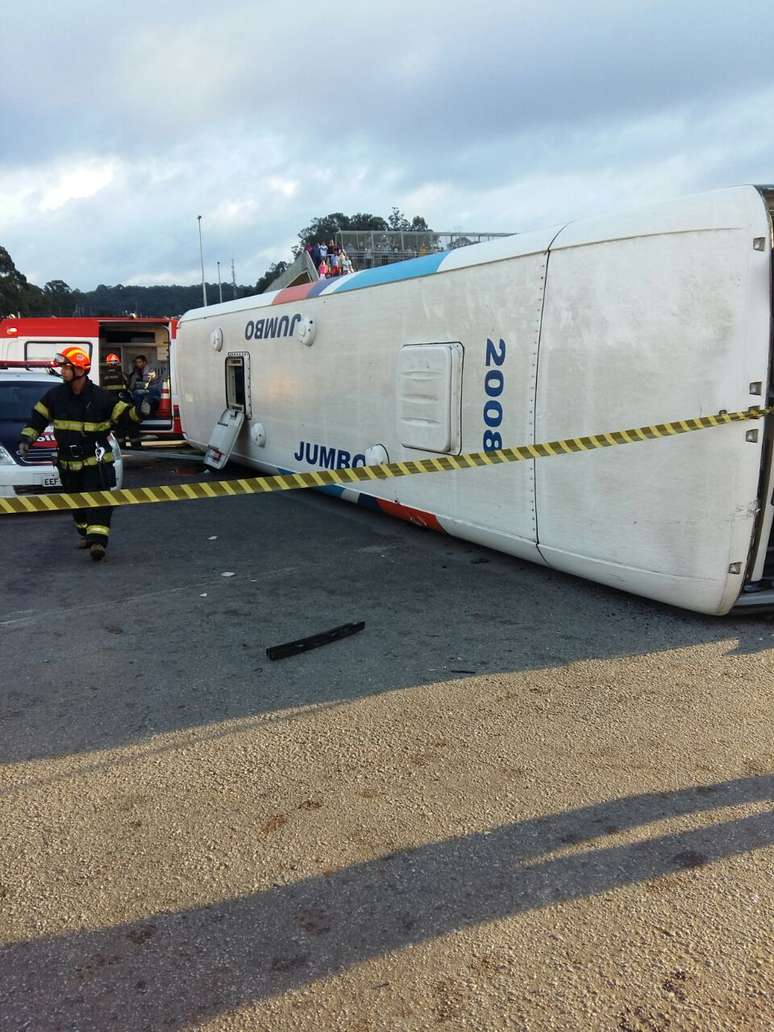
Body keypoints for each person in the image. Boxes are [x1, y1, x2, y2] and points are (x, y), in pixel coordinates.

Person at [18, 345, 143, 561]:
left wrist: (141, 410)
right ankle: (86, 533)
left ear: (79, 370)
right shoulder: (55, 396)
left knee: (98, 500)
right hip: (67, 462)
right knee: (77, 505)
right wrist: (27, 439)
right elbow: (37, 419)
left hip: (96, 460)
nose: (62, 370)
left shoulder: (100, 397)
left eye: (66, 367)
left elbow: (123, 416)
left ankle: (98, 542)